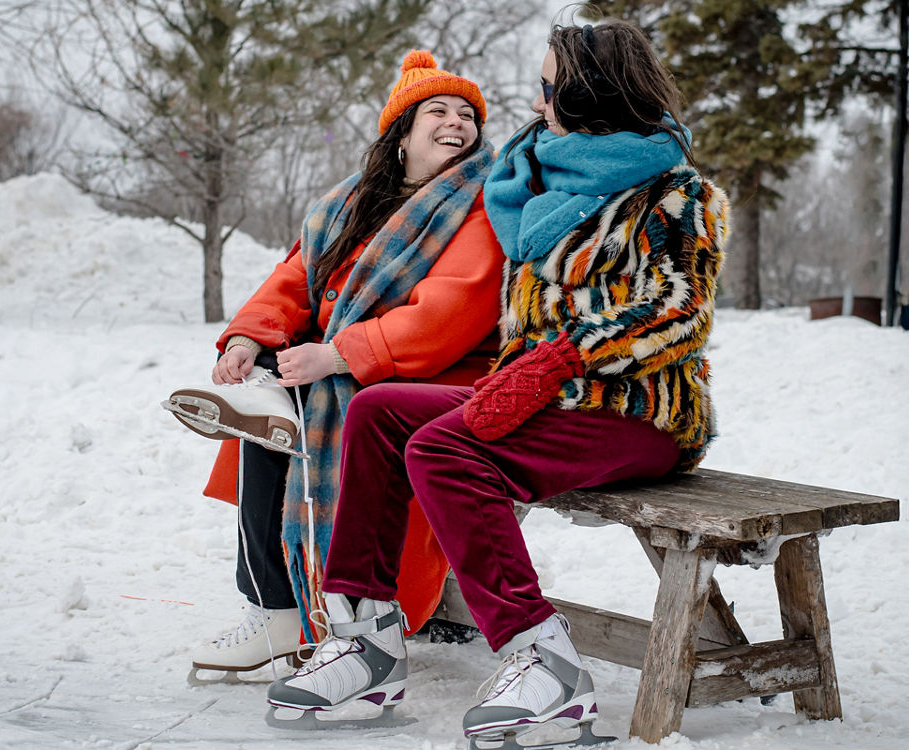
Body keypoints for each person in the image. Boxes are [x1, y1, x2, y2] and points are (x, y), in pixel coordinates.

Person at [264, 18, 731, 747]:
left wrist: (564, 358)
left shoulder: (678, 194)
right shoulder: (530, 177)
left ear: (586, 90)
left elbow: (680, 312)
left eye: (549, 84)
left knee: (444, 449)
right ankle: (368, 637)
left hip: (633, 410)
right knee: (381, 412)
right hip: (536, 390)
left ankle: (542, 655)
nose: (538, 99)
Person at [185, 50, 504, 678]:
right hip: (345, 366)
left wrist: (337, 354)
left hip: (434, 373)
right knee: (269, 407)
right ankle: (275, 605)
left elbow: (451, 312)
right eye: (437, 110)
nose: (457, 122)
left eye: (467, 113)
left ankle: (310, 611)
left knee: (299, 402)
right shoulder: (352, 203)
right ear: (401, 132)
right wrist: (251, 337)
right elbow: (297, 276)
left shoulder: (481, 203)